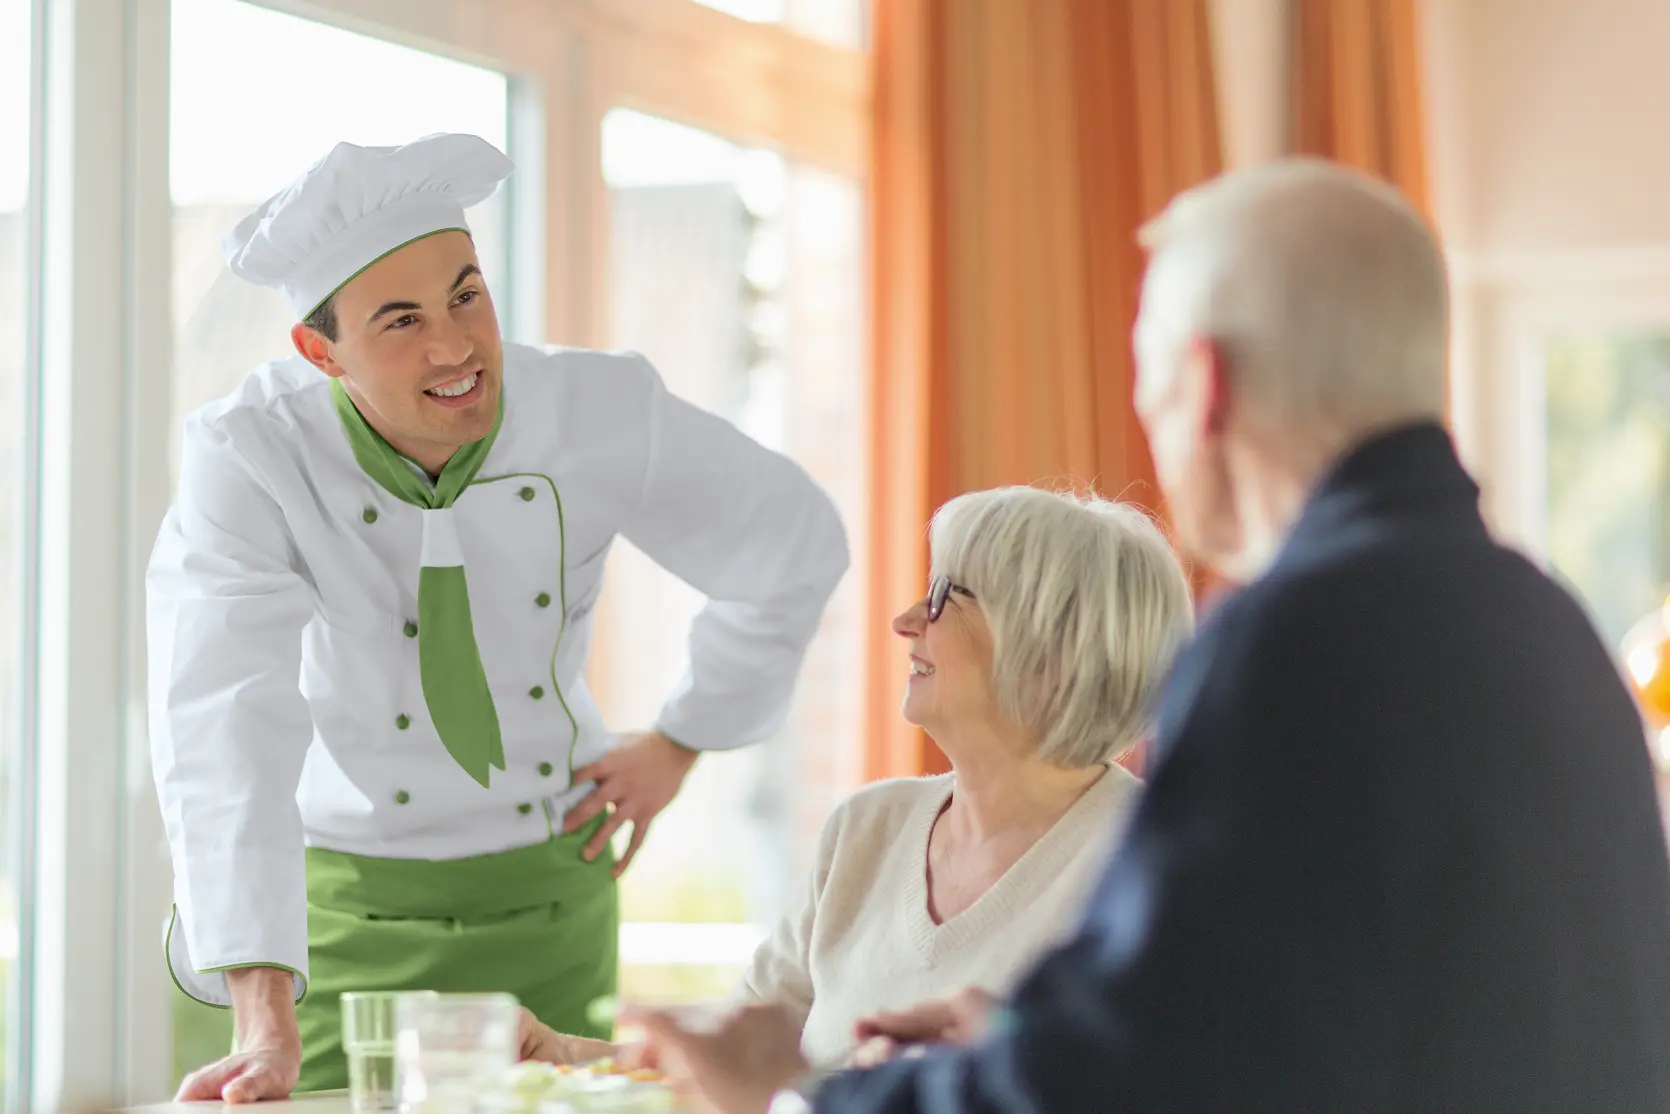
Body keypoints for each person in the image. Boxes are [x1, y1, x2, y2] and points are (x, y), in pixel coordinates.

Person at [629, 157, 1670, 1113]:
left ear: (1203, 384)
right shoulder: (1545, 626)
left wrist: (797, 1098)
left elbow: (1141, 1080)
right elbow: (1299, 1026)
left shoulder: (1295, 641)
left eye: (1149, 388)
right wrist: (1020, 1036)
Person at [146, 132, 849, 1101]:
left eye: (465, 295)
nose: (454, 347)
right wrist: (263, 1016)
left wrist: (685, 736)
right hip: (330, 923)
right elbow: (222, 718)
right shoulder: (254, 457)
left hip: (543, 900)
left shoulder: (595, 411)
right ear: (319, 351)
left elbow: (790, 535)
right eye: (400, 322)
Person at [518, 486, 1192, 1070]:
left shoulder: (1151, 867)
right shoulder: (867, 829)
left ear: (1052, 651)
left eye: (943, 597)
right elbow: (734, 1058)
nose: (905, 622)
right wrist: (567, 1053)